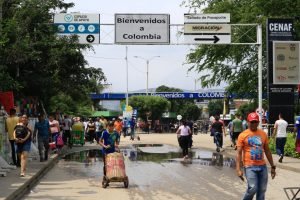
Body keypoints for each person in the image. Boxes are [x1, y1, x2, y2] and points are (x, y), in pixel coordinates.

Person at [236, 112, 276, 200]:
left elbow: (267, 151)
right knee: (253, 188)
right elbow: (238, 153)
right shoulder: (242, 135)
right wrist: (238, 169)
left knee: (262, 190)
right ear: (247, 122)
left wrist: (273, 166)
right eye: (251, 122)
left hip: (262, 166)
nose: (253, 124)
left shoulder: (263, 134)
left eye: (255, 122)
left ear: (258, 122)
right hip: (249, 166)